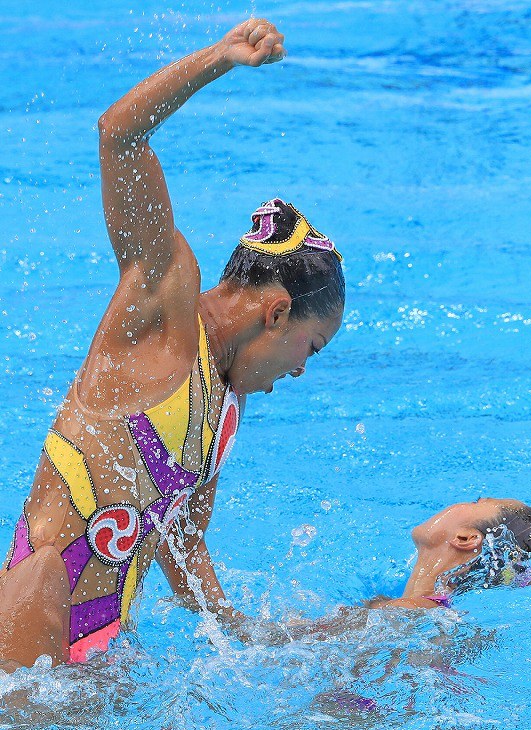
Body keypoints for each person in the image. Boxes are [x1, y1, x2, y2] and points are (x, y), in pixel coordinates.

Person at [0, 19, 344, 670]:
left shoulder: (224, 409)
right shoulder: (163, 302)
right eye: (313, 347)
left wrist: (245, 635)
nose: (301, 371)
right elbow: (119, 134)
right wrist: (221, 57)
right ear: (277, 313)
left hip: (102, 648)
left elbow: (180, 542)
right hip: (32, 617)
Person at [283, 497, 531, 639]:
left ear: (466, 539)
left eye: (477, 502)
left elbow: (278, 641)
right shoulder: (415, 610)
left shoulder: (405, 612)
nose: (462, 502)